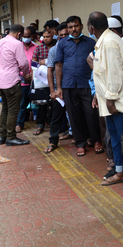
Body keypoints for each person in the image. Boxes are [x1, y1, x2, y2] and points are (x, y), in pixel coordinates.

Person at [86, 12, 123, 189]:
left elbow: (114, 74)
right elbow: (101, 71)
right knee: (117, 139)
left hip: (118, 101)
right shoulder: (103, 41)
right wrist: (99, 94)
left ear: (91, 28)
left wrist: (110, 99)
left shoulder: (109, 42)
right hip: (109, 100)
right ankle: (121, 171)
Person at [55, 15, 102, 156]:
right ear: (67, 29)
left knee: (91, 114)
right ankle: (80, 143)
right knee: (74, 116)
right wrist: (59, 88)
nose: (73, 29)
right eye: (70, 27)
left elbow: (97, 63)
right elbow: (58, 65)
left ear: (81, 26)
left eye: (76, 26)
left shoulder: (90, 42)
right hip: (68, 85)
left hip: (87, 84)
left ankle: (96, 140)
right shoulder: (62, 44)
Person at [0, 25, 31, 146]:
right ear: (19, 34)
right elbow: (23, 63)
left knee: (5, 108)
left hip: (0, 80)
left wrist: (0, 67)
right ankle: (11, 137)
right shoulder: (17, 44)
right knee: (13, 110)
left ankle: (2, 136)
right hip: (11, 80)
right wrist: (26, 73)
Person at [43, 23, 71, 153]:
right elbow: (50, 71)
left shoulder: (74, 47)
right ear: (57, 36)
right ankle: (53, 141)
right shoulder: (54, 50)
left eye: (66, 34)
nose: (64, 37)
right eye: (61, 35)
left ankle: (81, 138)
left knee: (76, 115)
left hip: (73, 87)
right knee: (56, 116)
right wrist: (52, 91)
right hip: (58, 90)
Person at [31, 25, 58, 135]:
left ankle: (53, 124)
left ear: (53, 36)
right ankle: (40, 124)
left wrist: (46, 61)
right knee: (42, 103)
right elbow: (33, 62)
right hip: (42, 79)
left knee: (54, 102)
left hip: (55, 78)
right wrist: (40, 65)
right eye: (44, 37)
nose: (46, 39)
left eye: (48, 36)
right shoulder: (39, 48)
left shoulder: (57, 46)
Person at [15, 26, 38, 133]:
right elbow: (14, 64)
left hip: (36, 80)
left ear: (32, 36)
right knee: (22, 104)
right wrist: (23, 74)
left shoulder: (37, 47)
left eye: (28, 36)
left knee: (39, 102)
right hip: (22, 80)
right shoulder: (17, 47)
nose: (26, 38)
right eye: (24, 36)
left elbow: (38, 62)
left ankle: (41, 122)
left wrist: (32, 75)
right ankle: (19, 123)